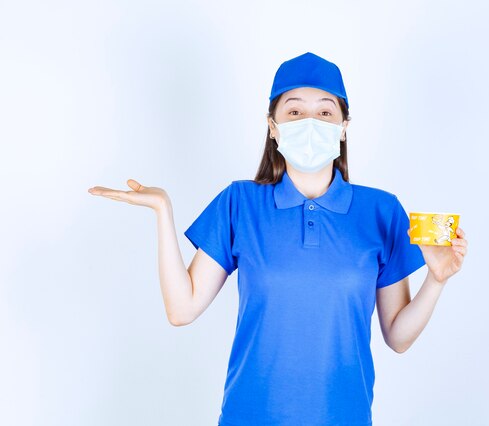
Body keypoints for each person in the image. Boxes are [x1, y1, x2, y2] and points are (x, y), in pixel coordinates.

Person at [88, 52, 468, 426]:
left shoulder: (381, 212)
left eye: (324, 112)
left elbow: (398, 337)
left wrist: (436, 280)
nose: (310, 121)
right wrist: (163, 211)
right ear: (273, 126)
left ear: (343, 126)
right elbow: (181, 309)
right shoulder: (240, 203)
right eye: (294, 111)